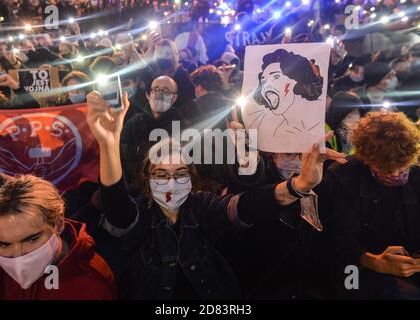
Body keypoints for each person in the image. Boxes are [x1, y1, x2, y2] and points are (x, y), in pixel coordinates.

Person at [85, 89, 346, 299]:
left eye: (180, 174)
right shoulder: (141, 217)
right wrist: (108, 143)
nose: (171, 183)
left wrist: (298, 186)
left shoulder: (202, 208)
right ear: (147, 181)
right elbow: (117, 207)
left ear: (192, 180)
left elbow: (244, 207)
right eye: (161, 175)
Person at [323, 111, 420, 299]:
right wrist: (375, 262)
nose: (394, 174)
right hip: (353, 266)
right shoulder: (343, 176)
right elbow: (339, 241)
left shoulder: (419, 178)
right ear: (366, 159)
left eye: (402, 168)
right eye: (384, 169)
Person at [0, 175, 115, 299]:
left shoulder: (91, 284)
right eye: (4, 245)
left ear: (58, 224)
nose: (19, 256)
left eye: (31, 240)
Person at [120, 75, 184, 187]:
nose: (159, 94)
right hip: (135, 186)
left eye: (166, 90)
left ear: (174, 98)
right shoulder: (134, 123)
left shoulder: (182, 126)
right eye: (156, 89)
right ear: (148, 95)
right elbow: (123, 155)